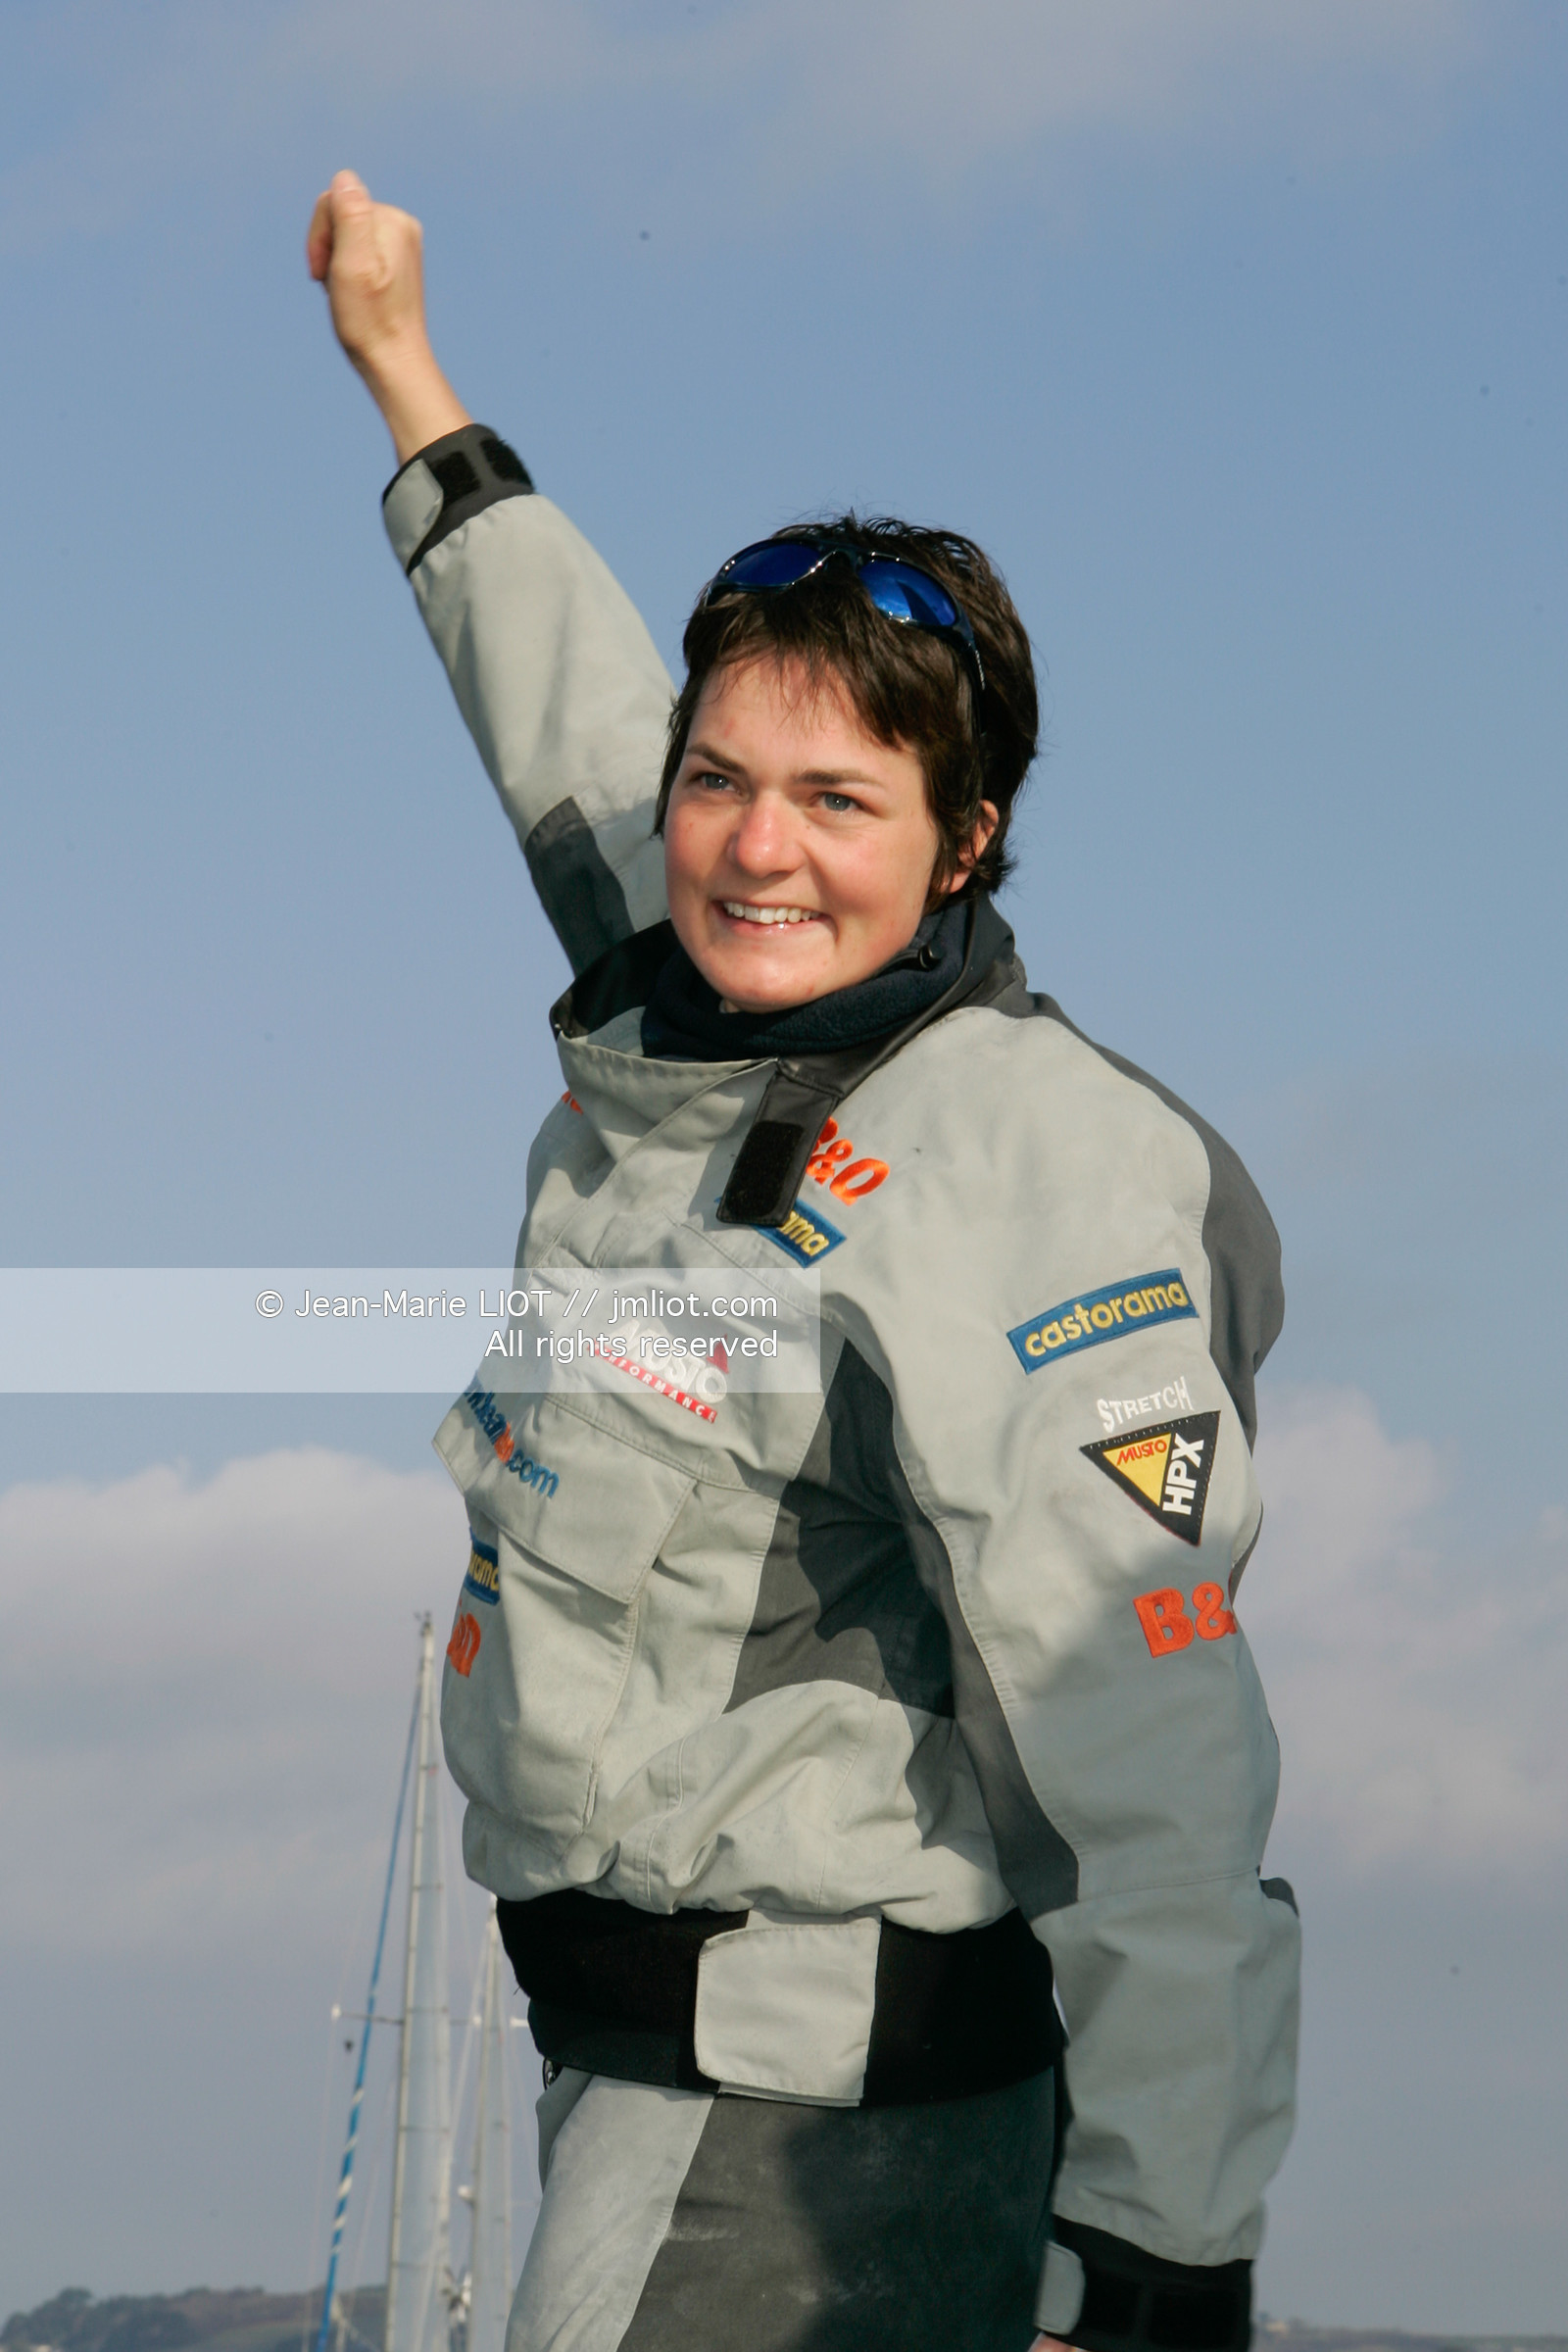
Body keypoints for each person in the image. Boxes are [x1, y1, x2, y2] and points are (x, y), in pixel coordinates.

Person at [309, 169, 1300, 2352]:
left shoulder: (1030, 1178)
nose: (757, 846)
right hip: (643, 2088)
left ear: (962, 842)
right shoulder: (706, 1007)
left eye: (839, 802)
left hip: (811, 2166)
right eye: (716, 782)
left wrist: (1154, 2259)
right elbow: (555, 711)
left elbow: (1152, 1752)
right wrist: (400, 366)